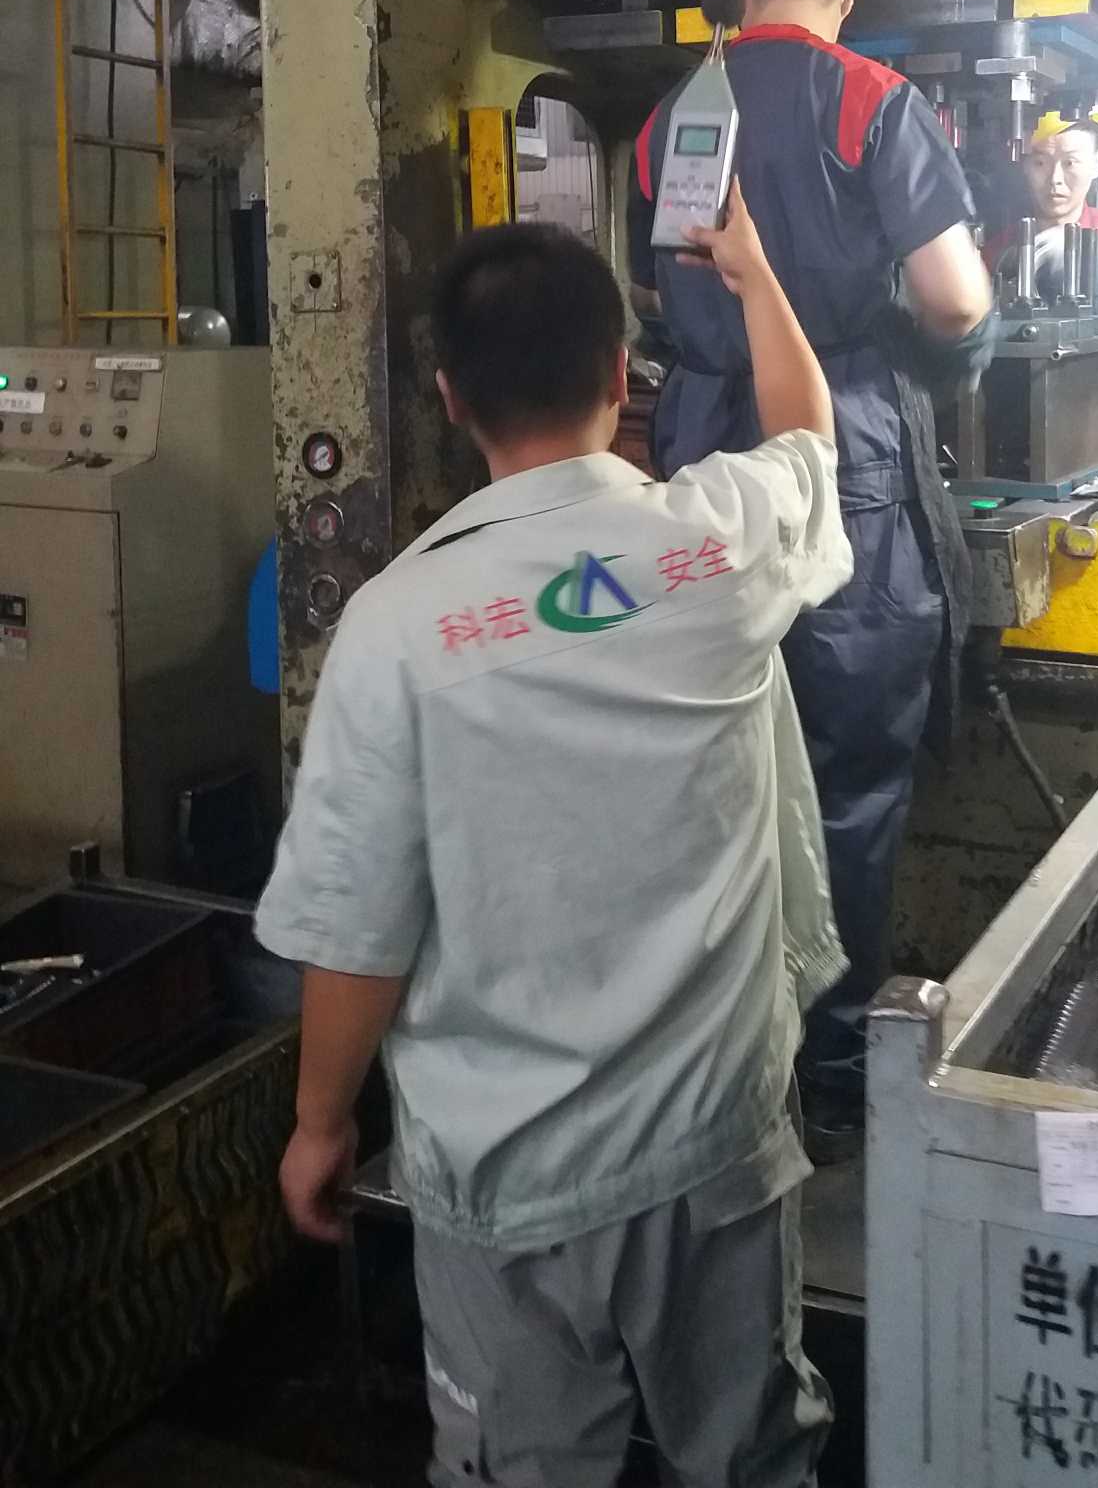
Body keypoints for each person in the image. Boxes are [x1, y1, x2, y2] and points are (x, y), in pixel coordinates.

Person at [255, 196, 854, 1488]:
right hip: (712, 1139)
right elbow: (810, 439)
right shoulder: (713, 544)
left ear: (450, 398)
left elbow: (359, 927)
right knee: (748, 1455)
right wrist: (752, 277)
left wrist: (318, 1123)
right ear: (620, 378)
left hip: (506, 1174)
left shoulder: (394, 629)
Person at [628, 0, 994, 1156]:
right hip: (843, 450)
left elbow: (665, 294)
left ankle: (722, 1066)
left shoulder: (670, 117)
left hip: (701, 450)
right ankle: (831, 1085)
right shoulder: (871, 101)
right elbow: (955, 300)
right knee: (844, 778)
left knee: (712, 764)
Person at [985, 109, 1098, 312]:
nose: (1055, 179)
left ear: (1097, 163)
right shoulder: (999, 248)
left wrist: (1088, 262)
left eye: (1070, 163)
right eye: (1040, 163)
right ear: (1025, 166)